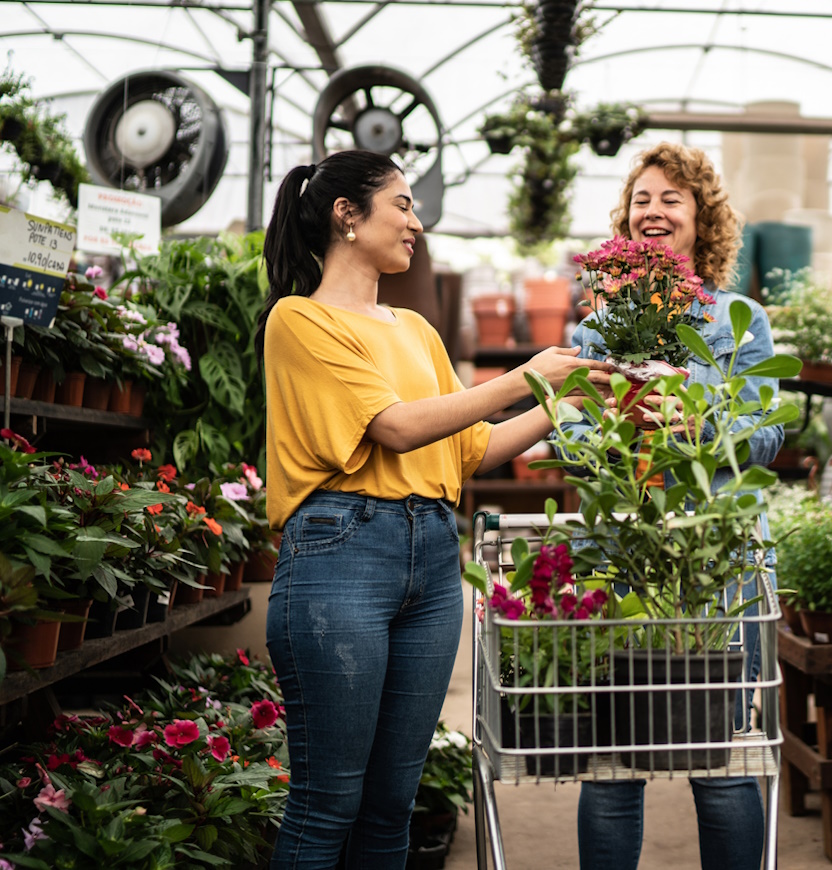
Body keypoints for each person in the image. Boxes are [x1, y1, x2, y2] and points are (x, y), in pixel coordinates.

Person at [256, 149, 612, 869]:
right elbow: (393, 426)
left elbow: (471, 450)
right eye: (403, 205)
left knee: (393, 806)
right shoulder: (299, 321)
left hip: (430, 559)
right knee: (327, 803)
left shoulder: (415, 330)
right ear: (346, 216)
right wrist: (524, 376)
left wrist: (565, 402)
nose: (416, 223)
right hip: (339, 558)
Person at [567, 141, 783, 870]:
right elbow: (568, 433)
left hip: (713, 558)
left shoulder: (739, 316)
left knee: (716, 758)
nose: (653, 212)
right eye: (641, 200)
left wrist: (694, 421)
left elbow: (767, 433)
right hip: (622, 553)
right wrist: (612, 429)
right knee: (611, 765)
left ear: (702, 220)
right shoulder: (597, 326)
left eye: (671, 199)